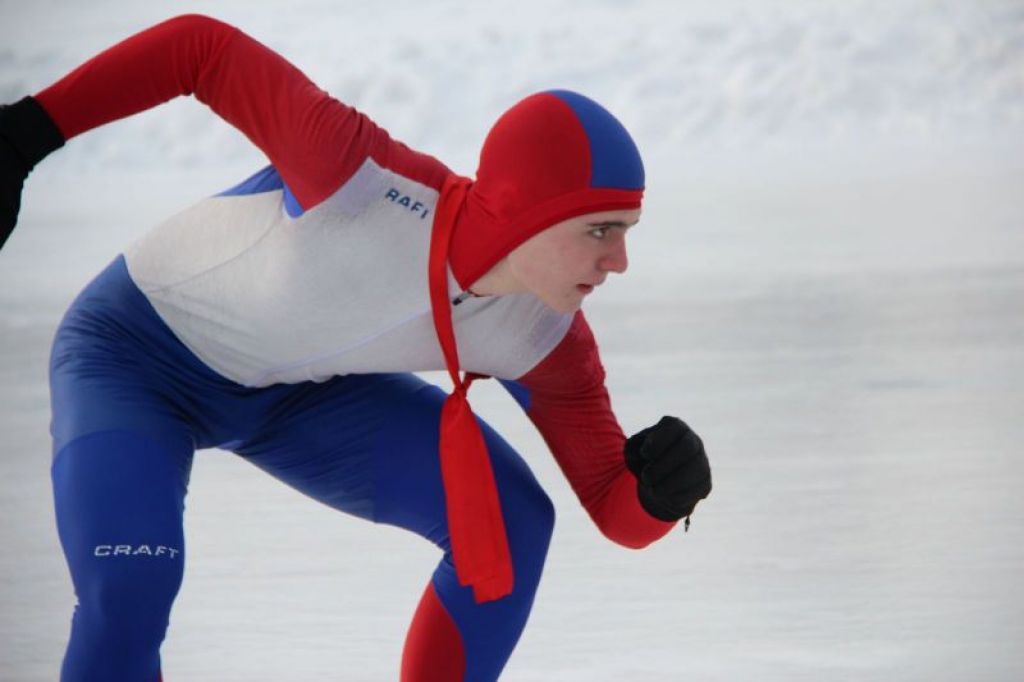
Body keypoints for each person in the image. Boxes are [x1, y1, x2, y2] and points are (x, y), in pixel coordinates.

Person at [0, 14, 712, 682]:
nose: (619, 260)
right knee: (131, 581)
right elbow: (200, 49)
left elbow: (613, 509)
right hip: (134, 357)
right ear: (528, 213)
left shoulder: (548, 339)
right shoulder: (356, 175)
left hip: (295, 391)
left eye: (628, 230)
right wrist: (22, 137)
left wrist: (661, 493)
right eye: (600, 230)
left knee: (511, 519)